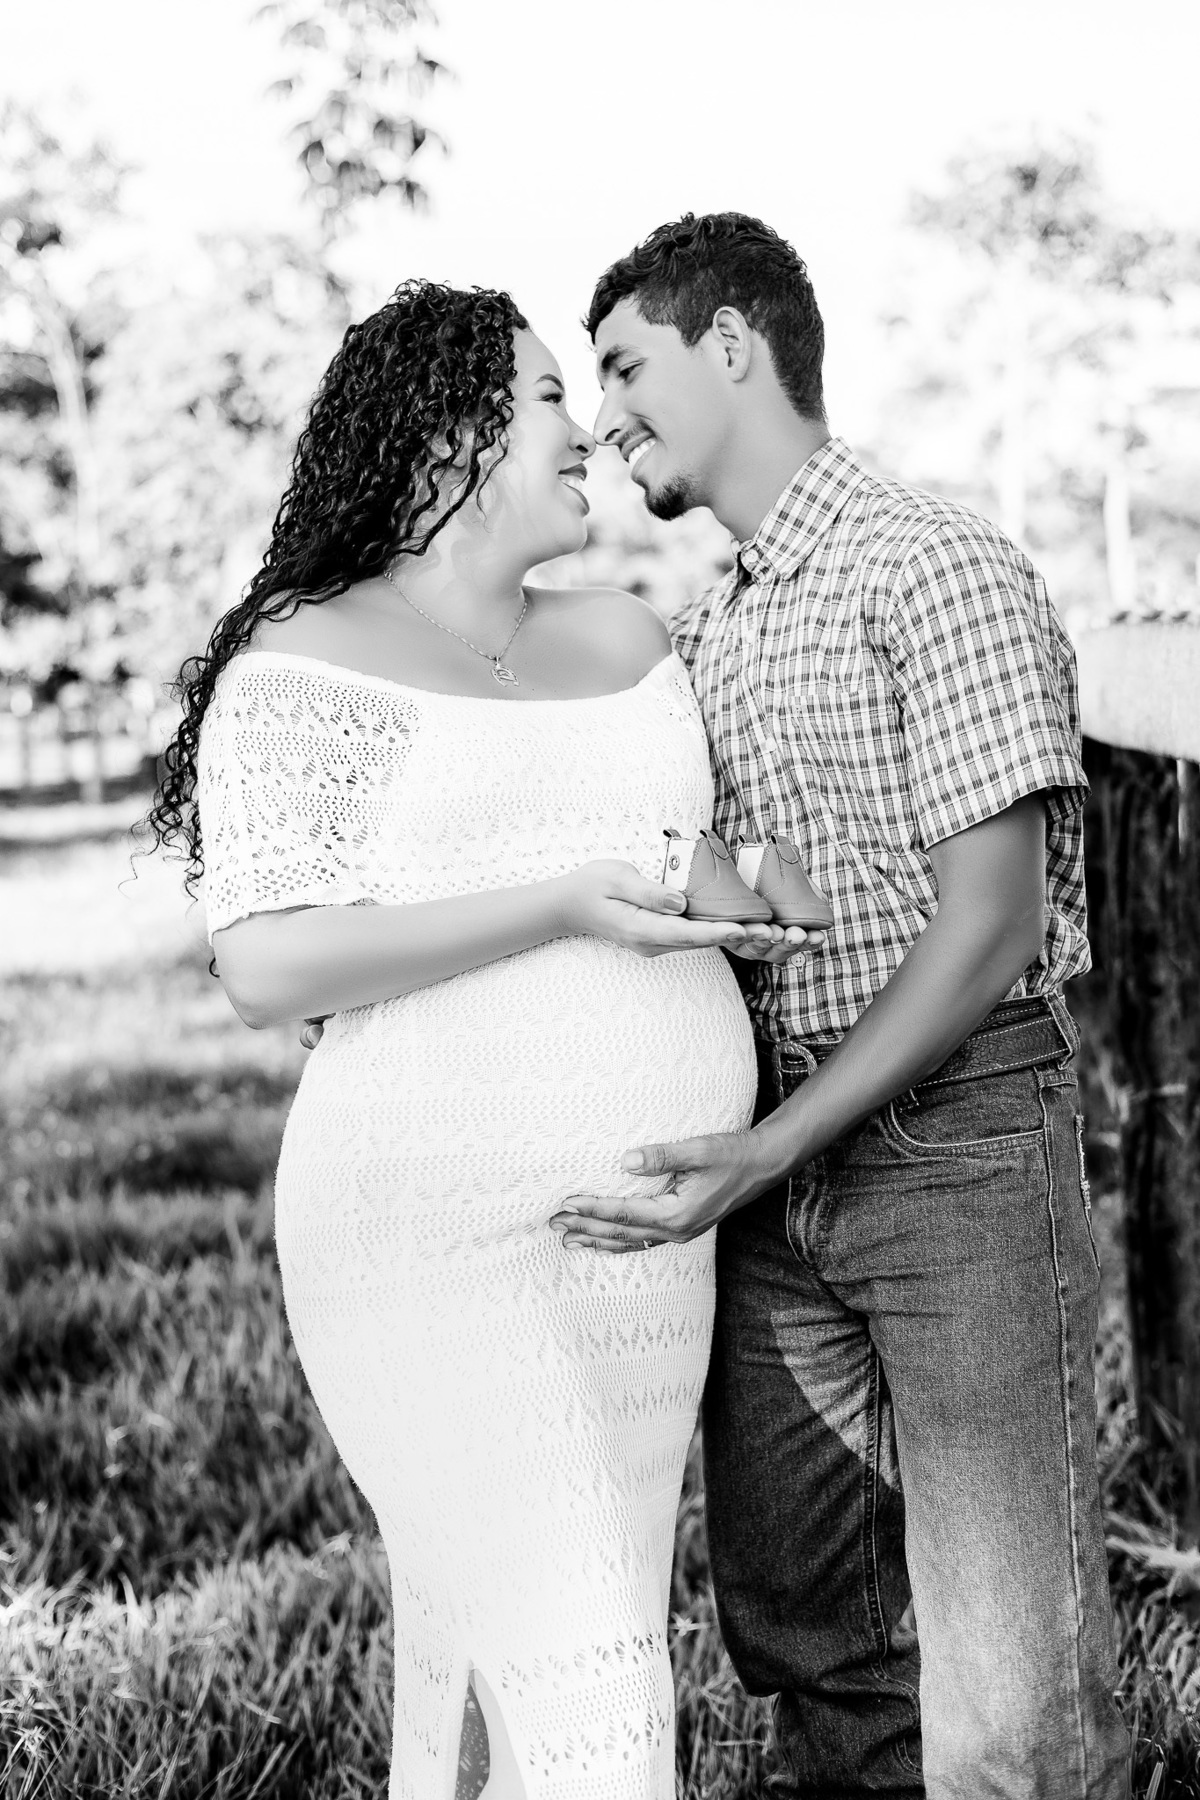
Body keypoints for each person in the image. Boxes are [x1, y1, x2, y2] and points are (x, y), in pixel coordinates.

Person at [147, 279, 820, 1800]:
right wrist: (558, 905)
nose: (585, 430)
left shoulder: (630, 638)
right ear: (447, 433)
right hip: (428, 1234)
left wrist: (759, 890)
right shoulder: (305, 658)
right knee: (597, 1691)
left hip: (645, 1245)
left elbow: (683, 861)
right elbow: (267, 962)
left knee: (523, 1656)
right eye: (546, 396)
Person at [559, 214, 1131, 1798]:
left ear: (731, 343)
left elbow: (992, 923)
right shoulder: (711, 628)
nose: (605, 416)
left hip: (956, 1146)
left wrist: (773, 1145)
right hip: (772, 1161)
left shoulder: (933, 566)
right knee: (812, 1637)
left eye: (625, 368)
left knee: (1012, 1696)